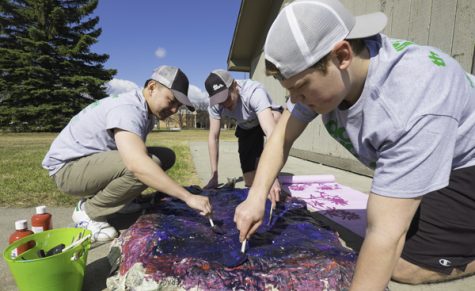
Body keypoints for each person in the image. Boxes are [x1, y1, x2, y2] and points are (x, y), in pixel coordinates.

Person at [233, 0, 475, 289]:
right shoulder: (328, 77)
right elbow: (281, 137)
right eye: (290, 91)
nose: (295, 102)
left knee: (400, 265)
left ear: (342, 54)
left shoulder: (411, 98)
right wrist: (256, 195)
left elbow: (386, 233)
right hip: (437, 157)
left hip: (465, 166)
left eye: (300, 89)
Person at [42, 65, 212, 242]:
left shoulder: (145, 110)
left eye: (178, 105)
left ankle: (122, 202)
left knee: (166, 156)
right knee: (145, 164)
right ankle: (88, 212)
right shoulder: (128, 109)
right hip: (67, 170)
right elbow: (136, 164)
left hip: (85, 163)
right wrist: (187, 197)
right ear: (152, 87)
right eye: (171, 100)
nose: (175, 110)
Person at [203, 69, 283, 203]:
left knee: (276, 119)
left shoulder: (254, 92)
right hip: (246, 126)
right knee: (250, 183)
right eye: (219, 101)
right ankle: (258, 166)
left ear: (234, 86)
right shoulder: (215, 104)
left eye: (226, 98)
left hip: (268, 119)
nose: (224, 104)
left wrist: (272, 177)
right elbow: (214, 137)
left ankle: (271, 171)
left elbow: (270, 132)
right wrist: (214, 175)